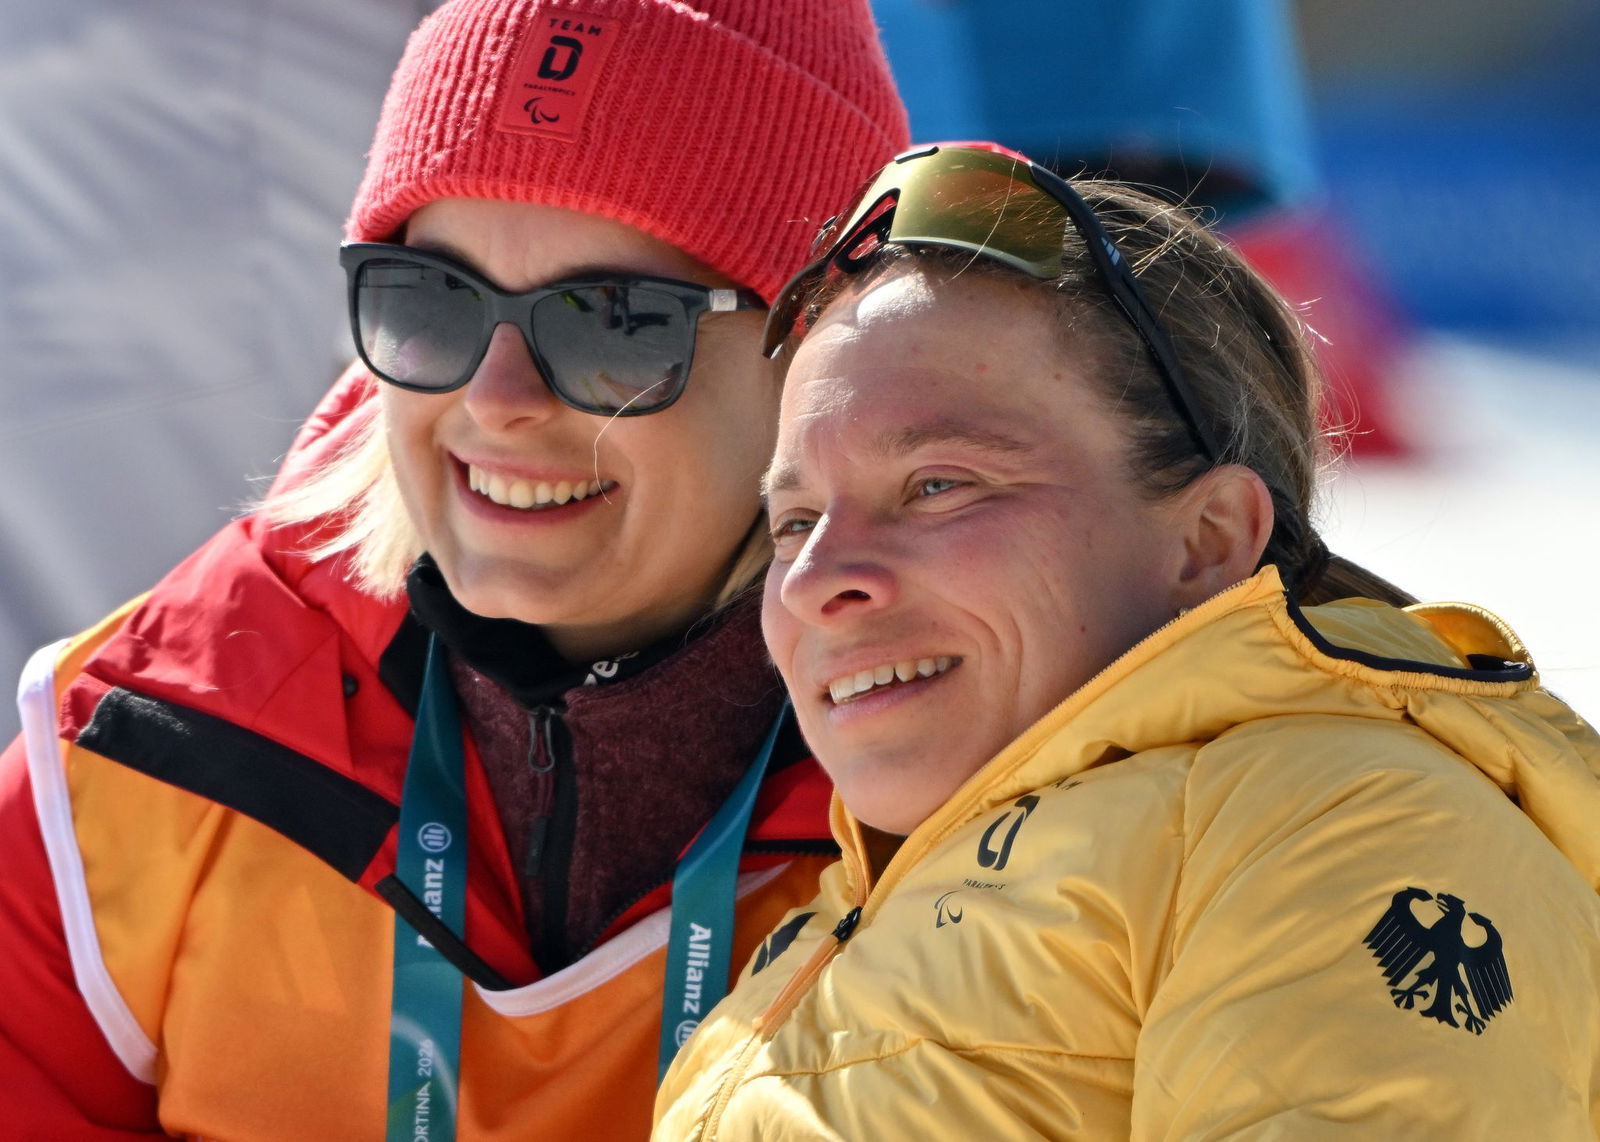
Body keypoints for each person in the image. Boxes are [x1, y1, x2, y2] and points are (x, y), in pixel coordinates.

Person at [0, 1, 906, 1136]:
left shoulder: (983, 782)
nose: (496, 398)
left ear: (816, 359)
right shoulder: (147, 748)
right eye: (431, 301)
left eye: (612, 321)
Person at [654, 144, 1600, 1138]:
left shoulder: (1335, 820)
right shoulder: (839, 910)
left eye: (937, 485)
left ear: (1207, 541)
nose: (813, 581)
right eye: (795, 520)